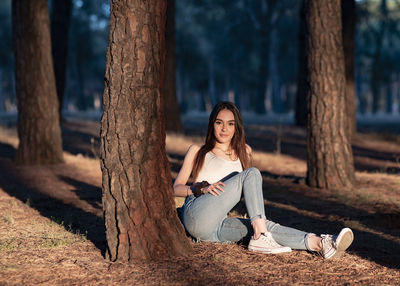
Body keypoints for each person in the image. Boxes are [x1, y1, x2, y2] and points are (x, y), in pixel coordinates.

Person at [173, 101, 354, 258]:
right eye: (219, 122)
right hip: (196, 213)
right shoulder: (197, 151)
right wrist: (200, 189)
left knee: (266, 226)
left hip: (216, 228)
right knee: (252, 174)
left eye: (230, 124)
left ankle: (321, 244)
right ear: (212, 124)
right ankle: (261, 237)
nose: (224, 129)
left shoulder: (245, 152)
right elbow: (175, 188)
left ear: (237, 127)